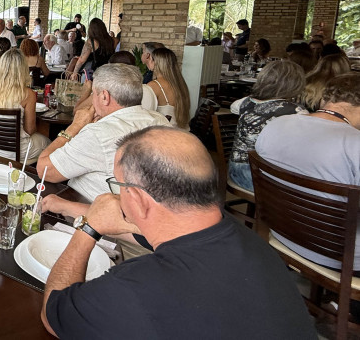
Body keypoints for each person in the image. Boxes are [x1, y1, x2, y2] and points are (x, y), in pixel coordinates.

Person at [40, 127, 316, 339]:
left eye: (119, 185)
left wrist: (87, 229)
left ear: (137, 198)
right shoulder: (250, 243)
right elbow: (161, 235)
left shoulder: (135, 288)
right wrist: (112, 220)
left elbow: (53, 315)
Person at [256, 73, 360, 271]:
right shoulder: (354, 143)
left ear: (324, 99)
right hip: (335, 254)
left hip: (281, 233)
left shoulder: (277, 124)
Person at [36, 64, 170, 202]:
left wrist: (74, 127)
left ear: (105, 96)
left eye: (94, 93)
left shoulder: (97, 134)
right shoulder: (161, 121)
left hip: (85, 208)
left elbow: (44, 170)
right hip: (143, 208)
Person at [227, 60, 307, 192]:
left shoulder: (244, 102)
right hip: (260, 178)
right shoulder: (297, 111)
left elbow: (233, 108)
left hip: (236, 170)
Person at [0, 49, 49, 161]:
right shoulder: (27, 94)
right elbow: (30, 130)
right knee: (49, 143)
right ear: (23, 68)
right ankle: (34, 175)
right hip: (15, 150)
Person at [145, 47, 191, 129]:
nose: (147, 61)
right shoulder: (180, 84)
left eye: (150, 58)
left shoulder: (154, 85)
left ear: (156, 62)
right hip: (182, 132)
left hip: (164, 134)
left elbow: (144, 115)